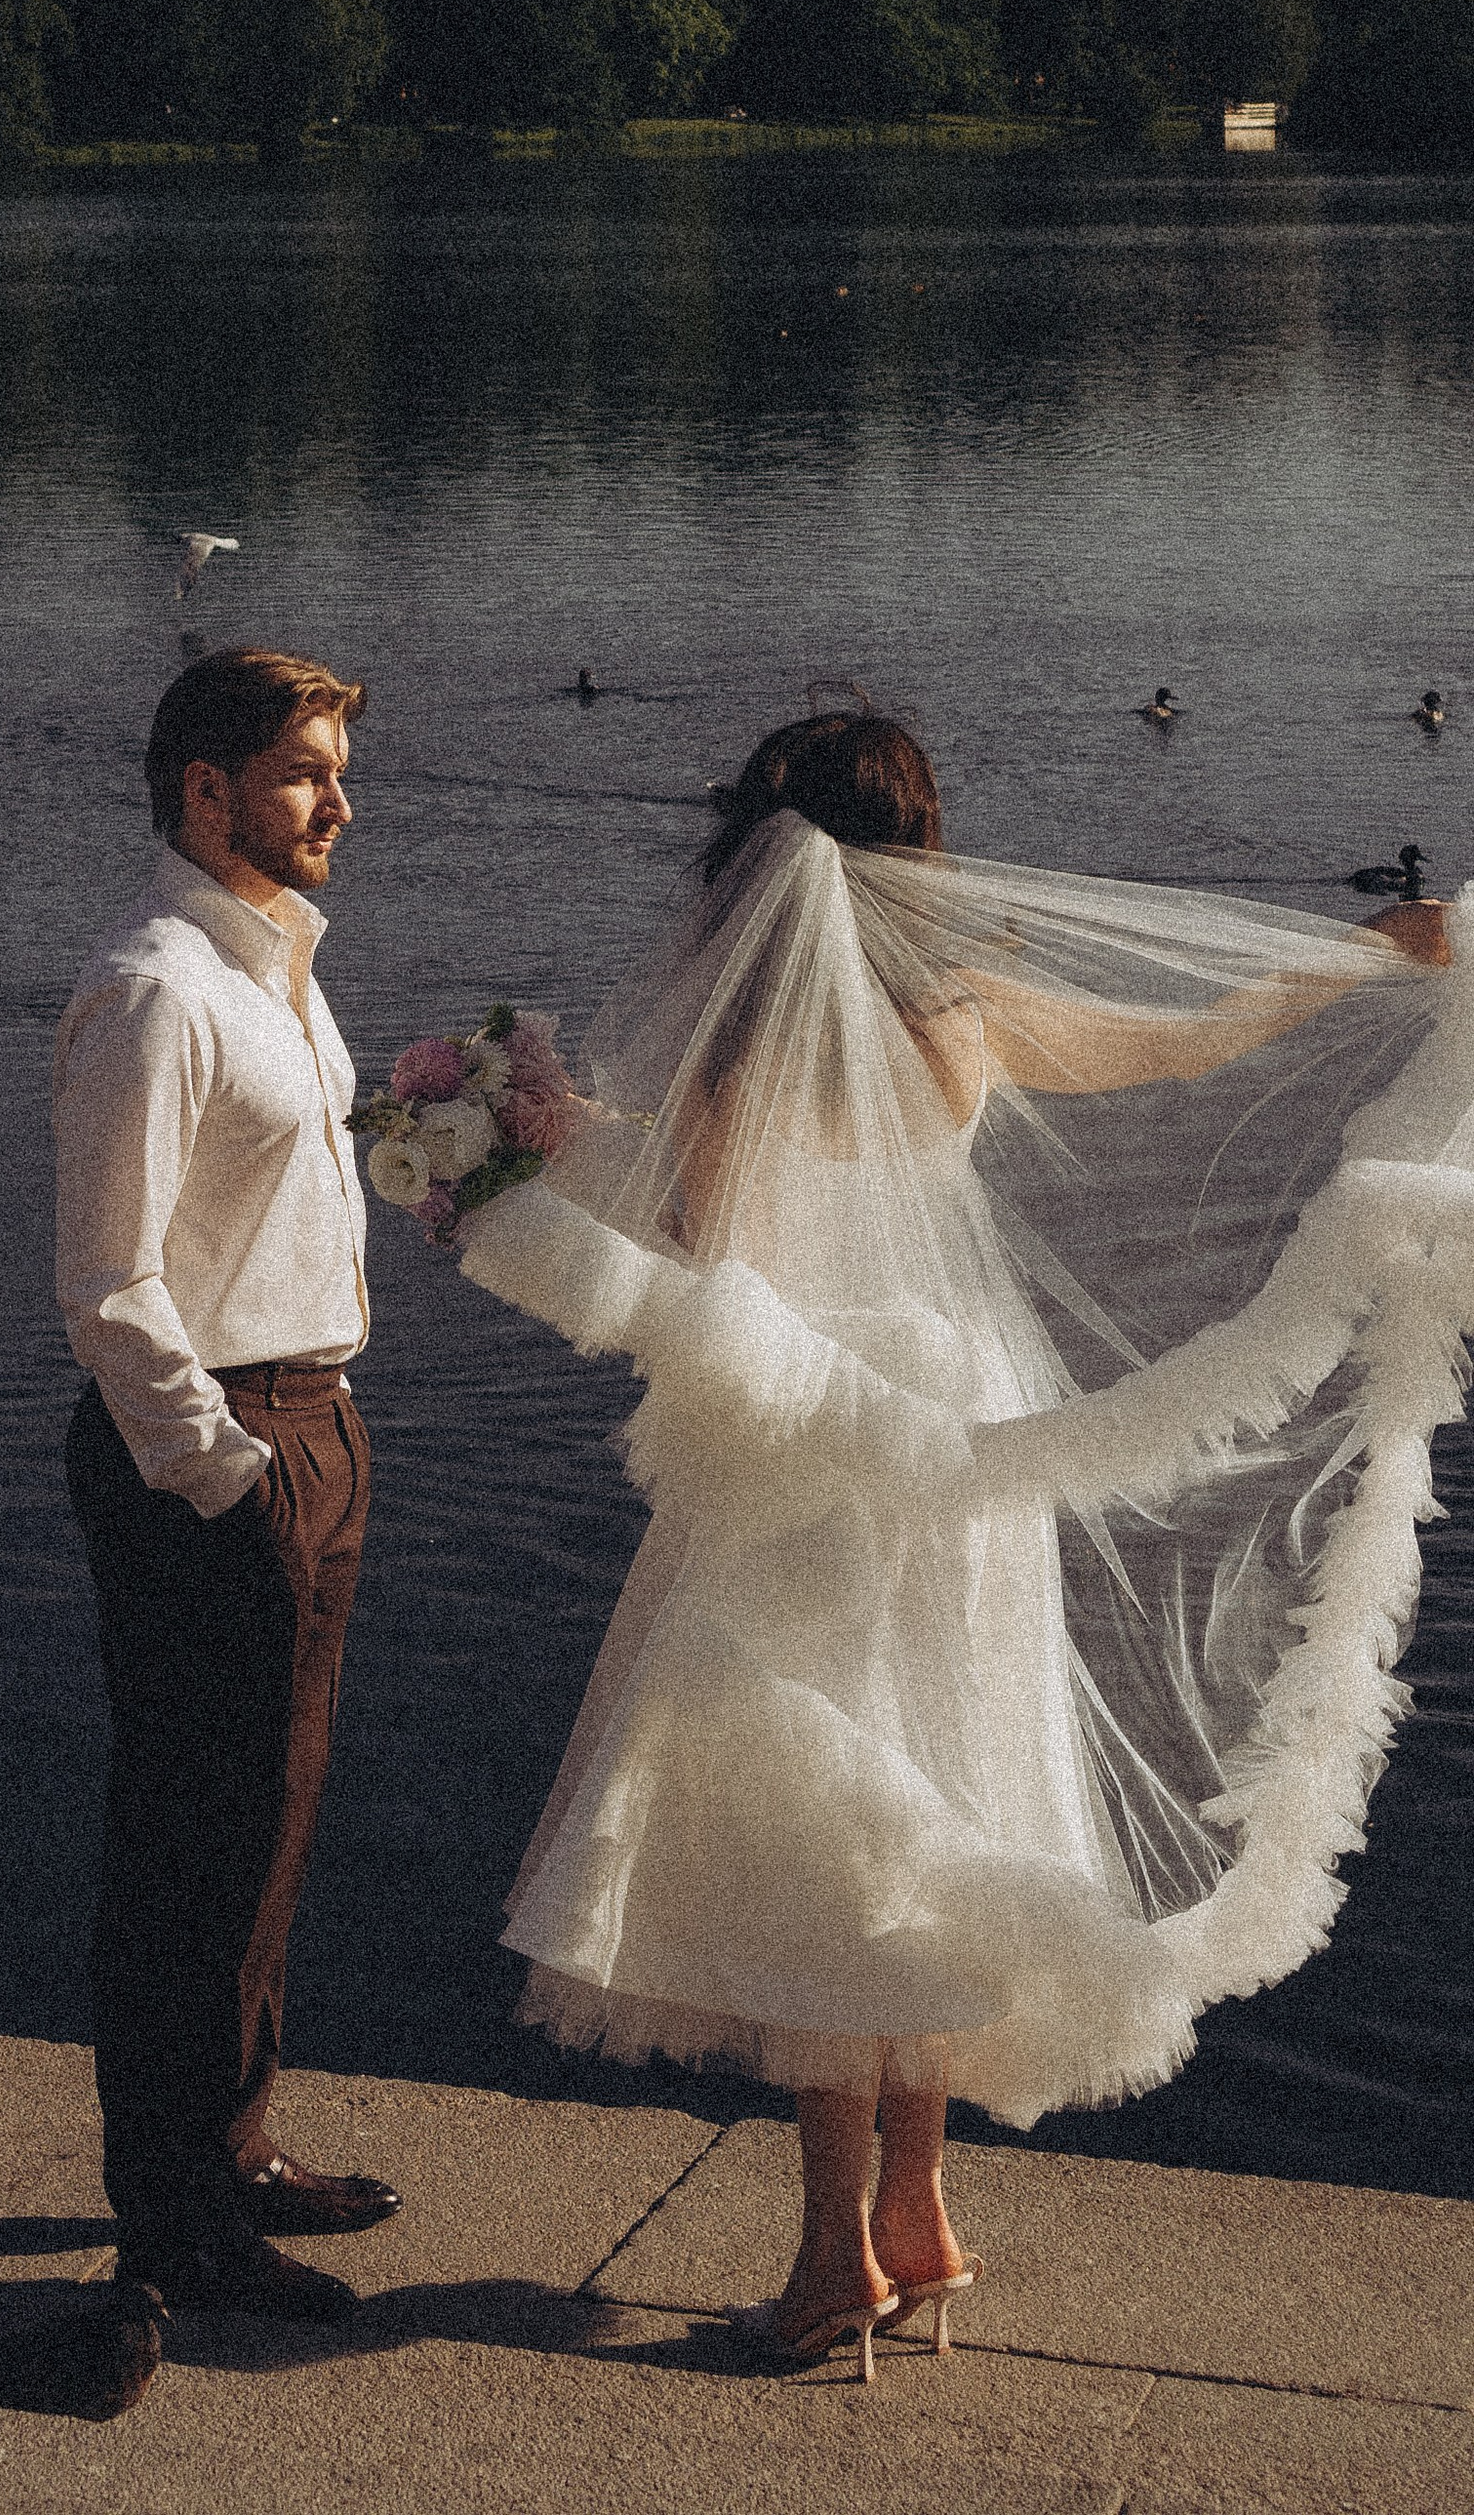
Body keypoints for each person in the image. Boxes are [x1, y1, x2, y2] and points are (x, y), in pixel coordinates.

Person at [451, 709, 1474, 2381]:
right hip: (969, 1430)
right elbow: (1189, 1039)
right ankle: (920, 2218)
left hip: (807, 1439)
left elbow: (701, 1254)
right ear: (914, 854)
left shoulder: (738, 1046)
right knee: (958, 1775)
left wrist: (520, 1161)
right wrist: (1366, 955)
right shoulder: (966, 1014)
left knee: (825, 1825)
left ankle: (826, 2258)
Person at [55, 645, 401, 2326]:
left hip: (310, 1422)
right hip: (215, 1451)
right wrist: (227, 1475)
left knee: (272, 1822)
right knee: (193, 1838)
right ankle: (172, 2218)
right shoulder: (156, 989)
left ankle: (234, 2147)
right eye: (302, 773)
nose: (340, 800)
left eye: (336, 769)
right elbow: (111, 1286)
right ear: (205, 793)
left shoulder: (278, 971)